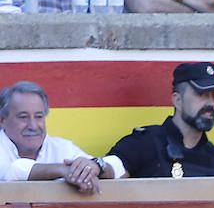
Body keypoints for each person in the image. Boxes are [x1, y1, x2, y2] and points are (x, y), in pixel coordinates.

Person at [107, 62, 214, 178]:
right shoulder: (145, 143)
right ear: (177, 100)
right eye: (201, 95)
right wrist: (96, 167)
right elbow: (111, 170)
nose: (210, 104)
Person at [0, 81, 128, 191]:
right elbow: (12, 171)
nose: (33, 126)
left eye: (39, 117)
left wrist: (95, 167)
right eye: (23, 117)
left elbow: (118, 167)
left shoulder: (62, 147)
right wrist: (63, 170)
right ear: (2, 120)